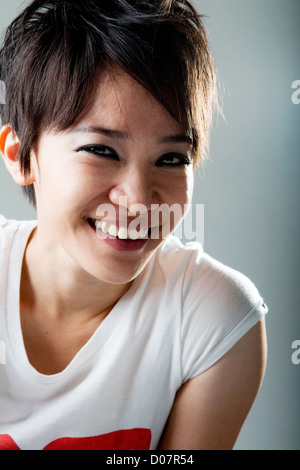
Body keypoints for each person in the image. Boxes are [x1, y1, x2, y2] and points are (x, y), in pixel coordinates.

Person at [0, 0, 268, 451]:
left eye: (170, 159)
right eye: (101, 150)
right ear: (20, 155)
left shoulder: (213, 319)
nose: (140, 201)